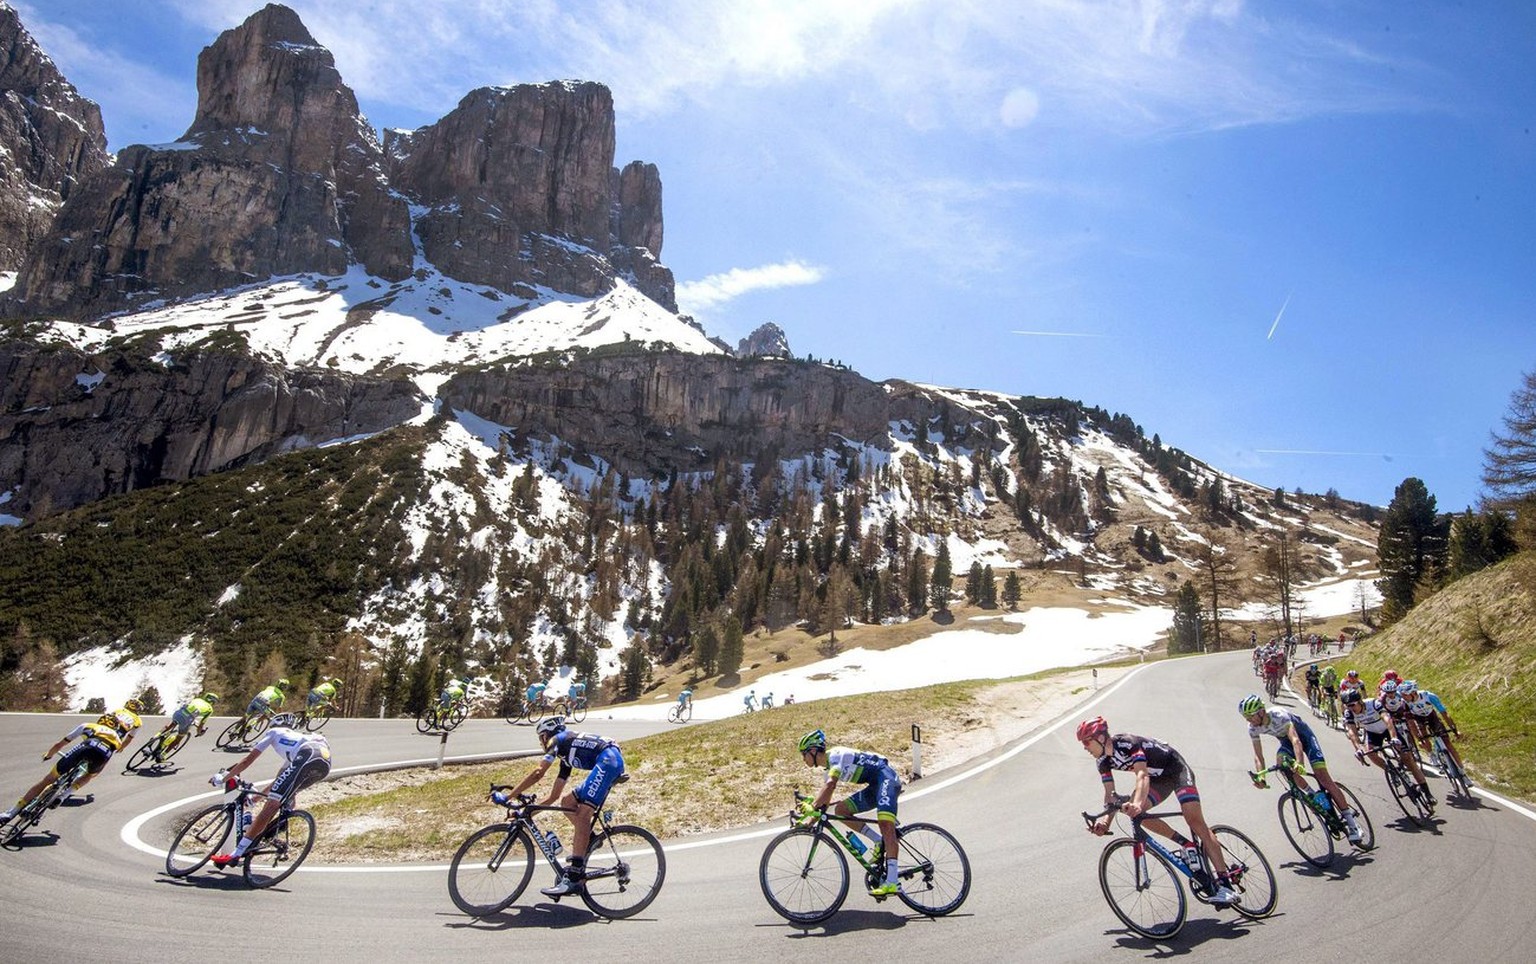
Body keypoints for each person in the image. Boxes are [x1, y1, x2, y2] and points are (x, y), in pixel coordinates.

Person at [1077, 716, 1240, 906]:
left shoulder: (1128, 743)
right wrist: (1105, 823)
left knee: (1194, 821)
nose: (1084, 747)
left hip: (1176, 770)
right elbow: (1110, 795)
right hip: (1158, 781)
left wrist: (1136, 803)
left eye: (1086, 742)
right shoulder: (1102, 762)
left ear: (1101, 738)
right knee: (1140, 816)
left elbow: (1141, 774)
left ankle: (1225, 884)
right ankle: (1185, 844)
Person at [503, 717, 626, 897]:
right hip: (608, 759)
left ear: (548, 735)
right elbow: (553, 797)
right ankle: (589, 840)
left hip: (608, 760)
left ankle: (574, 878)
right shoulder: (565, 758)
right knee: (567, 802)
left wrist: (508, 796)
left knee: (584, 814)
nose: (541, 742)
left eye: (541, 737)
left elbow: (538, 773)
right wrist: (525, 814)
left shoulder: (558, 740)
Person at [209, 713, 332, 867]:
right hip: (324, 762)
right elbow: (279, 781)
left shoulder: (274, 732)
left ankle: (236, 854)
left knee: (271, 805)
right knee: (284, 796)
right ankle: (272, 831)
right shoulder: (296, 745)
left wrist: (223, 779)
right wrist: (255, 800)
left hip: (309, 754)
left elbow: (247, 760)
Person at [1239, 694, 1363, 843]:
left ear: (1261, 711)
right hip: (1286, 742)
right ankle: (1312, 795)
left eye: (1251, 716)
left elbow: (1296, 740)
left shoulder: (1279, 715)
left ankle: (1352, 824)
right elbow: (1258, 756)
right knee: (1281, 764)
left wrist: (1300, 763)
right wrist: (1261, 776)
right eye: (1246, 717)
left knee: (1323, 778)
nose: (1249, 720)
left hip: (1305, 737)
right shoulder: (1252, 728)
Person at [796, 728, 903, 896]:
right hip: (875, 785)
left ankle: (892, 882)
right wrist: (807, 823)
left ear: (814, 750)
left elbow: (830, 785)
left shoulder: (835, 756)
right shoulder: (828, 770)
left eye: (804, 754)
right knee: (841, 810)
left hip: (886, 778)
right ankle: (878, 841)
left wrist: (813, 806)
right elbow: (824, 804)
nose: (803, 759)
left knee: (885, 824)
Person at [1, 700, 143, 824]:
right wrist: (93, 774)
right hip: (102, 756)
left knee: (48, 780)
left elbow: (61, 743)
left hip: (86, 746)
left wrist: (49, 754)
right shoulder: (118, 739)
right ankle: (64, 795)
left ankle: (11, 813)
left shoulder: (89, 725)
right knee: (88, 775)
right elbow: (107, 760)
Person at [1341, 687, 1434, 808]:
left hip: (1387, 730)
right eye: (1348, 706)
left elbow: (1387, 720)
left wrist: (1394, 737)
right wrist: (1358, 748)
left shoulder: (1373, 703)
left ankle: (1427, 793)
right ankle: (1390, 770)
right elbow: (1352, 732)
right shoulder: (1349, 713)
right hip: (1372, 733)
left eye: (1352, 705)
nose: (1351, 708)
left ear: (1360, 701)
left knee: (1408, 759)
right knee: (1369, 752)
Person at [1400, 681, 1470, 787]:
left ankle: (1463, 772)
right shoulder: (1405, 703)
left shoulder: (1429, 696)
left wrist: (1455, 730)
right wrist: (1419, 739)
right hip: (1419, 719)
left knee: (1448, 744)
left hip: (1432, 717)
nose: (1403, 697)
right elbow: (1411, 723)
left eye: (1405, 695)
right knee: (1423, 733)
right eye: (1402, 695)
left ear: (1413, 693)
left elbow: (1444, 713)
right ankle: (1431, 754)